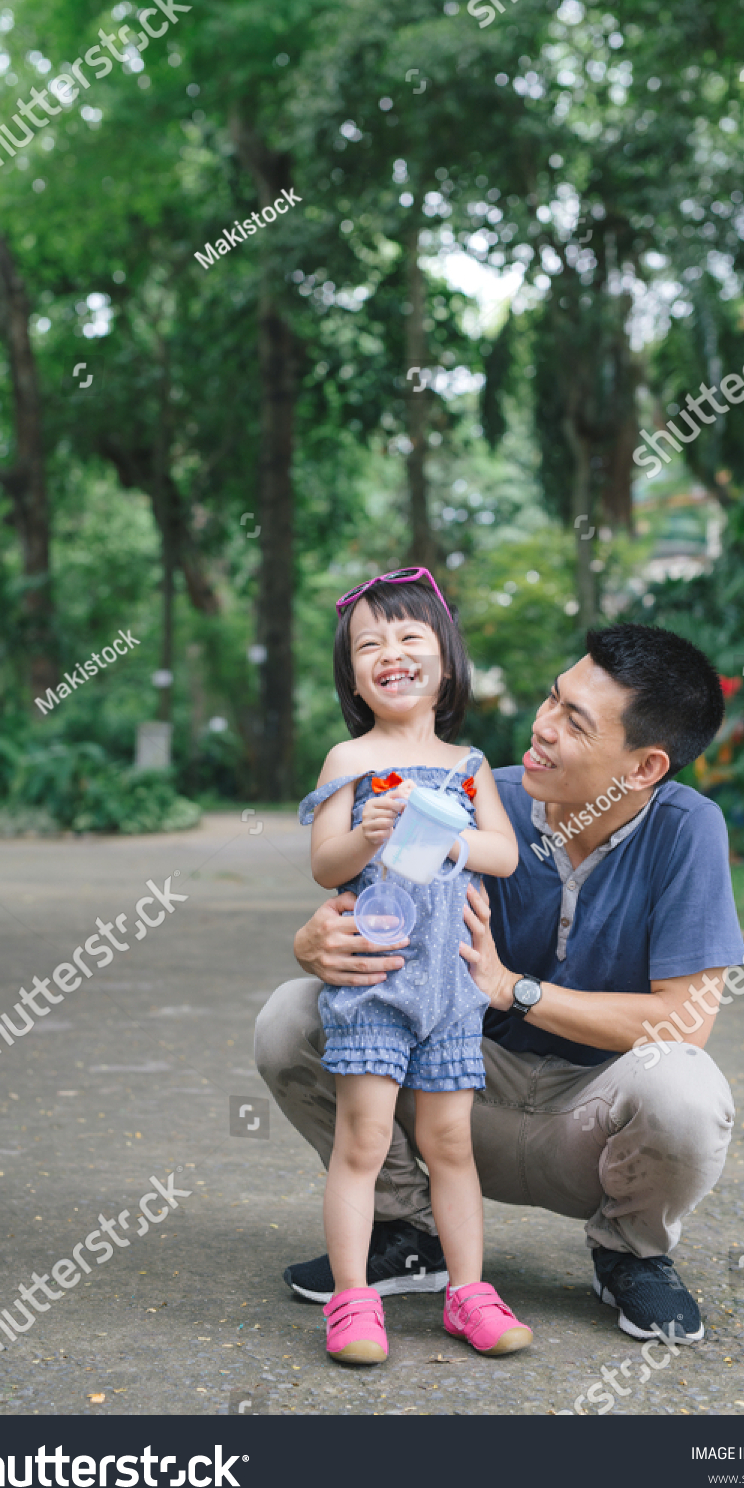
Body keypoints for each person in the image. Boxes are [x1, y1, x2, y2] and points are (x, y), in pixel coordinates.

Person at [256, 621, 744, 1345]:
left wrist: (510, 987)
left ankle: (628, 1253)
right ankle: (404, 1228)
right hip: (459, 1091)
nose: (541, 726)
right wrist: (312, 944)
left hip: (587, 1121)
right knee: (293, 1017)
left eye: (573, 721)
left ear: (644, 767)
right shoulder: (472, 796)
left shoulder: (686, 829)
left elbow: (685, 1021)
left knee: (687, 1090)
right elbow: (367, 890)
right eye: (552, 699)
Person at [297, 566, 532, 1366]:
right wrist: (368, 834)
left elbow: (500, 853)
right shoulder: (348, 758)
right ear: (353, 676)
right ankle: (353, 1300)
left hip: (453, 989)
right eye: (369, 645)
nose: (389, 653)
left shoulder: (468, 763)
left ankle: (467, 1293)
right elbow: (326, 865)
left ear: (444, 660)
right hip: (375, 985)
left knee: (450, 1144)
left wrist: (453, 835)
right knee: (361, 1142)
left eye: (408, 637)